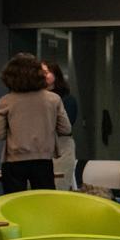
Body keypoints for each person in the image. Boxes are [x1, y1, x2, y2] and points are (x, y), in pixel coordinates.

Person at [0, 53, 70, 193]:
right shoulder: (53, 99)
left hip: (14, 162)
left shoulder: (6, 101)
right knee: (44, 203)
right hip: (43, 160)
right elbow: (65, 129)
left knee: (15, 205)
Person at [42, 60, 79, 190]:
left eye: (46, 72)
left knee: (57, 190)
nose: (42, 75)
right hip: (39, 150)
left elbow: (66, 126)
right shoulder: (34, 98)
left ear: (55, 74)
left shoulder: (67, 99)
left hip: (61, 149)